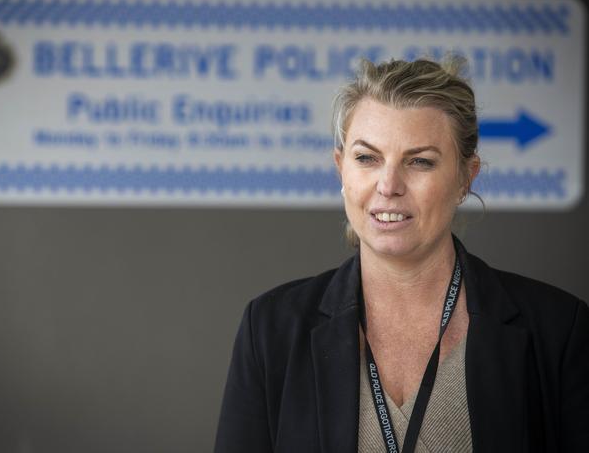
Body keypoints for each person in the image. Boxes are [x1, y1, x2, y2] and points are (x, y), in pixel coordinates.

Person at [214, 57, 589, 452]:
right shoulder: (271, 329)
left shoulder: (559, 331)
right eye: (367, 158)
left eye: (420, 162)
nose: (388, 185)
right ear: (341, 169)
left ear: (466, 177)